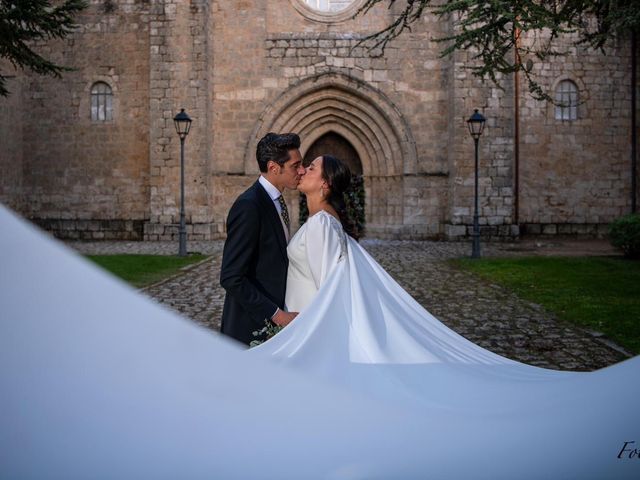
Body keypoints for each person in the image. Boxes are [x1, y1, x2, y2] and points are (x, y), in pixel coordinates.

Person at [219, 132, 305, 346]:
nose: (302, 171)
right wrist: (277, 315)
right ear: (274, 167)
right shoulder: (249, 205)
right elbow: (231, 277)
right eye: (296, 166)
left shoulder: (276, 200)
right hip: (249, 327)